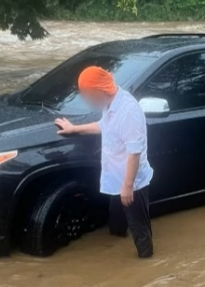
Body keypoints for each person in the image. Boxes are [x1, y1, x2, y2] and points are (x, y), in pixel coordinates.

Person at [54, 66, 154, 259]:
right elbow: (104, 126)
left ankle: (146, 262)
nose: (86, 100)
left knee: (139, 228)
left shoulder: (128, 111)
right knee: (117, 224)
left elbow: (135, 151)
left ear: (98, 91)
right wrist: (74, 129)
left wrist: (127, 186)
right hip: (116, 177)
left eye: (86, 94)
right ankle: (115, 248)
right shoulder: (110, 104)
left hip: (132, 181)